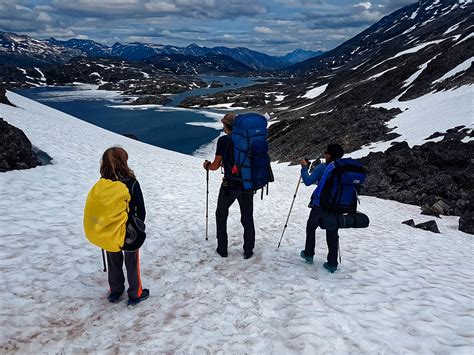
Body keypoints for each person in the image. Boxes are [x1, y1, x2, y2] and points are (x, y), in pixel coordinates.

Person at [100, 146, 149, 306]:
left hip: (109, 228)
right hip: (129, 230)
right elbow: (141, 209)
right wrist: (139, 226)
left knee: (113, 259)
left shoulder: (103, 182)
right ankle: (135, 294)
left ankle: (115, 291)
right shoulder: (132, 182)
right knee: (132, 262)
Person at [203, 113, 255, 259]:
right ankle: (248, 250)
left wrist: (206, 166)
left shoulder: (223, 141)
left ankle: (222, 249)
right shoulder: (248, 140)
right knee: (247, 218)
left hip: (230, 185)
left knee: (221, 214)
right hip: (247, 185)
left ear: (227, 126)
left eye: (224, 125)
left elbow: (215, 166)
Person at [300, 144, 344, 273]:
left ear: (330, 155)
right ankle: (332, 263)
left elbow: (308, 181)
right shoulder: (341, 168)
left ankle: (308, 254)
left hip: (321, 204)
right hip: (336, 205)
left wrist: (304, 167)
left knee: (311, 227)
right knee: (332, 232)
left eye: (326, 152)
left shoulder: (323, 167)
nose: (324, 154)